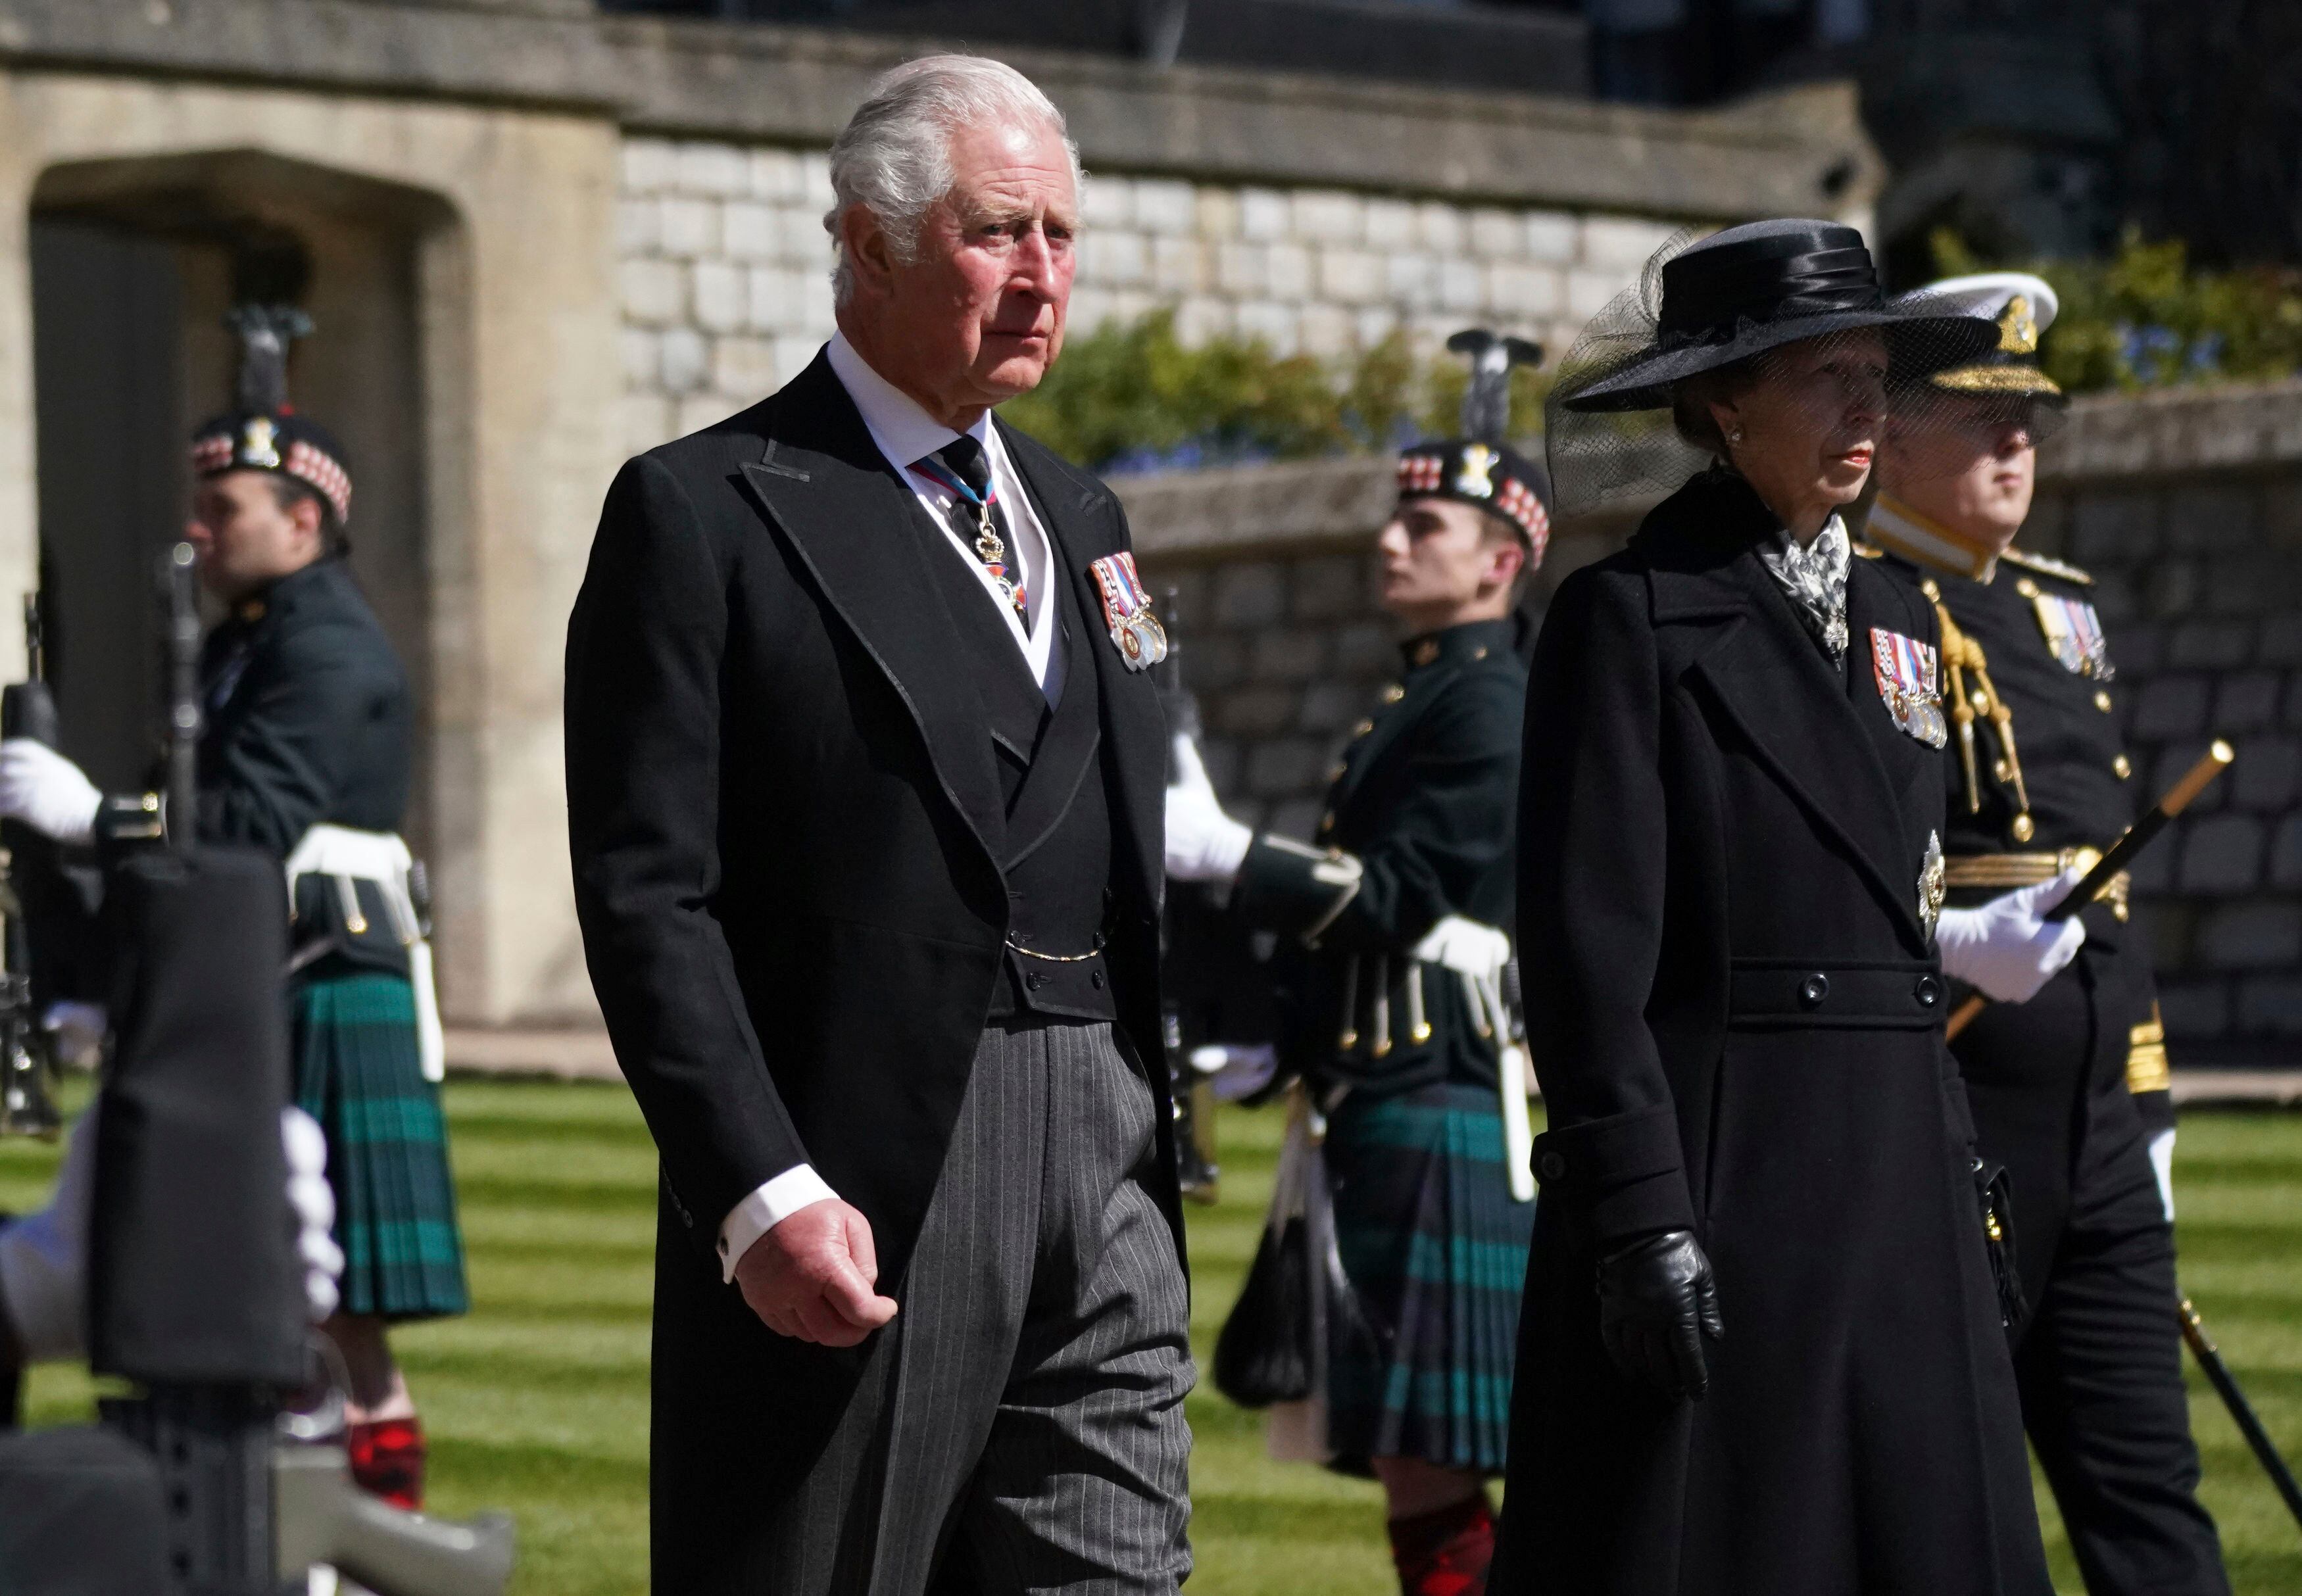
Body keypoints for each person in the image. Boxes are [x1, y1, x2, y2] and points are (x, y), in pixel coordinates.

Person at [564, 55, 1190, 1596]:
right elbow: (651, 895)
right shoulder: (706, 508)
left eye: (1059, 234)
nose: (1041, 277)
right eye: (997, 233)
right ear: (870, 240)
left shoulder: (1084, 516)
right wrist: (756, 1185)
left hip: (1104, 1135)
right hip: (871, 1160)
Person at [1490, 219, 2086, 1596]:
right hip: (1730, 1174)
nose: (1867, 407)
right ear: (1724, 403)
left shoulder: (1893, 613)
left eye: (1876, 374)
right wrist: (1638, 1216)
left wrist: (1956, 1170)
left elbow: (1892, 902)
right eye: (1827, 374)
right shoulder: (1628, 618)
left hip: (1899, 1174)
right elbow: (1586, 960)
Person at [0, 308, 463, 1509]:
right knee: (277, 1322)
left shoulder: (332, 656)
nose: (199, 533)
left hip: (318, 981)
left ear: (304, 521)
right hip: (257, 988)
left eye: (226, 513)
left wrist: (88, 816)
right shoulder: (243, 647)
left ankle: (372, 1564)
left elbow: (244, 829)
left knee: (341, 1332)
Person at [1865, 272, 2231, 1596]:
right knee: (1945, 1495)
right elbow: (1820, 877)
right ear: (1892, 431)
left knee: (2147, 1488)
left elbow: (2105, 882)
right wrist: (1952, 935)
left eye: (2028, 417)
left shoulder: (2056, 606)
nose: (2017, 442)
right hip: (1948, 1107)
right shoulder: (1859, 601)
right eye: (1979, 415)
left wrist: (2143, 1094)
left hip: (2093, 1117)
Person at [1168, 349, 1548, 1596]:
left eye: (1425, 525)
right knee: (1411, 1454)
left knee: (1428, 1453)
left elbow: (1397, 902)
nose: (1393, 542)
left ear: (1502, 559)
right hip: (1379, 1088)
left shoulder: (1489, 709)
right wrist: (1279, 1031)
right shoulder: (1426, 698)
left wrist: (1233, 855)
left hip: (1433, 1089)